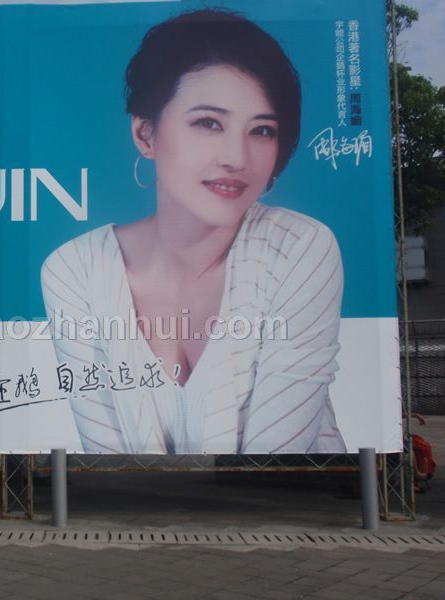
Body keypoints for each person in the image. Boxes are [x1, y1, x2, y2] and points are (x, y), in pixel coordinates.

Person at [41, 9, 346, 454]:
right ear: (146, 133)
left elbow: (275, 465)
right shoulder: (75, 270)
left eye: (262, 130)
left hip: (301, 498)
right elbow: (109, 465)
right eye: (209, 123)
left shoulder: (299, 248)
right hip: (138, 503)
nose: (236, 158)